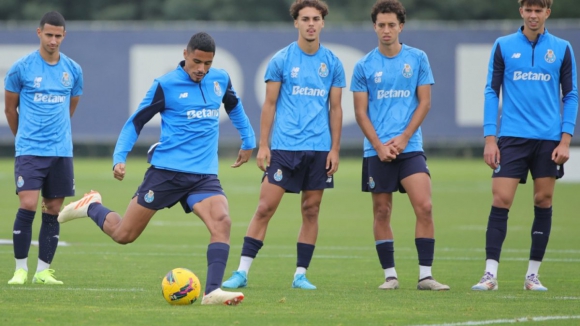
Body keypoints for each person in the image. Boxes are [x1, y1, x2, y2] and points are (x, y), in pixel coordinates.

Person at [57, 32, 255, 305]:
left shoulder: (220, 79)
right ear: (185, 54)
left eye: (207, 64)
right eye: (197, 62)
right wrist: (119, 157)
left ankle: (211, 292)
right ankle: (92, 205)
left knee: (222, 221)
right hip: (166, 173)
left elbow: (234, 105)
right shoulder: (166, 84)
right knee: (124, 234)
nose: (202, 69)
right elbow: (136, 121)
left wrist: (249, 139)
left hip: (203, 175)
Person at [222, 0, 344, 290]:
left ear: (323, 22)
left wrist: (335, 149)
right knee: (265, 208)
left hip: (319, 150)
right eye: (305, 19)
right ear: (296, 23)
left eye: (316, 18)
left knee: (311, 210)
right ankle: (242, 272)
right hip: (285, 148)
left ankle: (300, 275)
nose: (311, 23)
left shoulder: (334, 63)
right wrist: (264, 145)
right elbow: (270, 104)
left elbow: (336, 109)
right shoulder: (281, 60)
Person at [472, 0, 577, 291]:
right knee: (500, 199)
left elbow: (571, 95)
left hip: (548, 139)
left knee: (543, 201)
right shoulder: (503, 45)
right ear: (521, 11)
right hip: (512, 137)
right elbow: (492, 91)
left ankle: (532, 275)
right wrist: (490, 138)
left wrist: (566, 139)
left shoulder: (562, 48)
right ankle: (489, 274)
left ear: (547, 13)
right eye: (528, 9)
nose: (533, 15)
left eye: (538, 10)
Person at [350, 0, 450, 291]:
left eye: (391, 24)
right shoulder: (364, 65)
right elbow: (360, 112)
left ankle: (425, 276)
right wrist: (379, 146)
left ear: (401, 26)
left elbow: (425, 103)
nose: (386, 30)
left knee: (425, 206)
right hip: (376, 150)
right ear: (374, 27)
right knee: (382, 211)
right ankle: (390, 275)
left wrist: (405, 137)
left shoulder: (417, 58)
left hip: (410, 147)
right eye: (381, 25)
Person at [4, 11, 83, 285]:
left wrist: (56, 133)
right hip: (29, 149)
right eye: (48, 34)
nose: (53, 40)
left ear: (64, 36)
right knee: (27, 203)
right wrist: (22, 137)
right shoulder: (21, 68)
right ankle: (20, 269)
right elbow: (10, 109)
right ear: (39, 33)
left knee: (53, 209)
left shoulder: (73, 70)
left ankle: (43, 271)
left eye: (58, 36)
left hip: (61, 151)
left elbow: (71, 105)